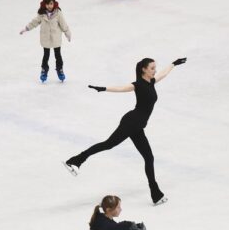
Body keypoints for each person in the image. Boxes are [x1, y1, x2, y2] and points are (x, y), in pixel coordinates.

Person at [64, 57, 187, 205]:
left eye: (155, 68)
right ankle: (74, 161)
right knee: (108, 144)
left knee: (149, 157)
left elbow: (163, 74)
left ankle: (156, 194)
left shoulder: (151, 82)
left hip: (138, 126)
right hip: (131, 122)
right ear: (144, 69)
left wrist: (174, 64)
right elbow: (121, 88)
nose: (155, 71)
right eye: (152, 68)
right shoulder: (138, 84)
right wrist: (103, 88)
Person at [19, 0, 72, 83]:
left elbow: (63, 24)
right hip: (45, 39)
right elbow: (34, 22)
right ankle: (44, 70)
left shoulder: (58, 13)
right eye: (47, 4)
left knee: (58, 55)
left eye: (51, 4)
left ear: (54, 3)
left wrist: (67, 33)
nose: (49, 6)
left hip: (56, 38)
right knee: (46, 55)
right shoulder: (42, 14)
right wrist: (26, 28)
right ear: (44, 4)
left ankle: (60, 69)